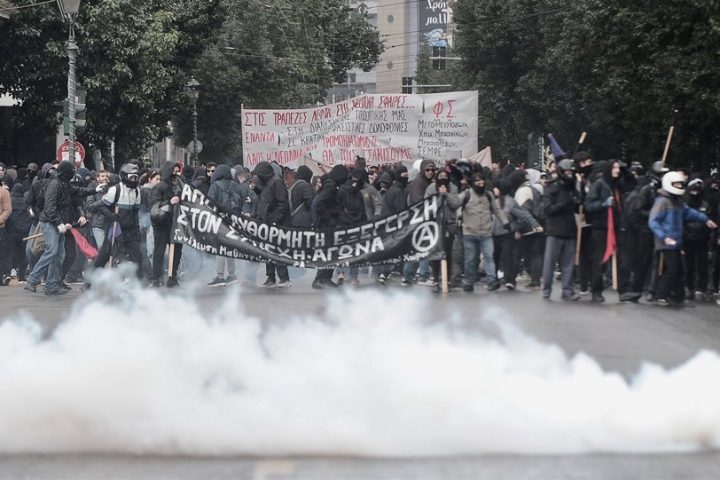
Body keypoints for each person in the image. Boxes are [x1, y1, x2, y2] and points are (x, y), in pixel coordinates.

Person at [649, 171, 717, 306]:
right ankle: (660, 295)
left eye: (681, 184)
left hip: (676, 241)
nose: (680, 187)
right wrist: (664, 237)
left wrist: (705, 220)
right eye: (677, 184)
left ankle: (677, 296)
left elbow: (689, 213)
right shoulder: (662, 201)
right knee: (672, 270)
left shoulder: (677, 202)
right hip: (666, 242)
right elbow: (653, 221)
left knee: (680, 270)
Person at [25, 161, 89, 295]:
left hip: (57, 222)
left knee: (59, 255)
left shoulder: (64, 184)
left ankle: (51, 285)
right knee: (52, 251)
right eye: (71, 172)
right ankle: (33, 279)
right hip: (50, 222)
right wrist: (59, 223)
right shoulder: (55, 184)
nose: (73, 174)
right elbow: (50, 207)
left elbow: (78, 191)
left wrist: (95, 190)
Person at [87, 163, 145, 283]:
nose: (134, 179)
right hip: (114, 229)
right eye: (132, 177)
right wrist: (111, 215)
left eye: (136, 177)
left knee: (138, 258)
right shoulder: (115, 190)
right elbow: (102, 206)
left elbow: (135, 214)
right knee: (102, 257)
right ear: (124, 176)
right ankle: (88, 283)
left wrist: (137, 230)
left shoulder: (137, 192)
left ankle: (138, 286)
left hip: (130, 232)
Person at [458, 172, 508, 293]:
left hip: (486, 233)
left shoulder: (488, 195)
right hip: (469, 233)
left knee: (489, 256)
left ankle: (491, 279)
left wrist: (505, 222)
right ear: (472, 183)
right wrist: (458, 218)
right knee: (470, 259)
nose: (481, 183)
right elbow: (457, 207)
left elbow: (497, 210)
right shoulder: (465, 195)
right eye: (477, 181)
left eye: (482, 181)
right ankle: (469, 282)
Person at [541, 159, 581, 301]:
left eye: (571, 172)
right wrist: (564, 204)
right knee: (549, 263)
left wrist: (578, 197)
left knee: (568, 264)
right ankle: (546, 290)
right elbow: (547, 209)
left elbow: (579, 205)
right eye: (567, 172)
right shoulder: (551, 188)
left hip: (569, 230)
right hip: (555, 231)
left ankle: (567, 291)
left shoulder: (573, 188)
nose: (569, 174)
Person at [206, 164, 247, 286]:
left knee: (220, 248)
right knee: (230, 247)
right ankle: (232, 274)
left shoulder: (215, 186)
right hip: (233, 221)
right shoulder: (236, 186)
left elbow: (209, 204)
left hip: (219, 220)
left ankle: (220, 276)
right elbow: (241, 203)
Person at [253, 161, 291, 288]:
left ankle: (284, 278)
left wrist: (275, 220)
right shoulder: (267, 184)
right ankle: (271, 277)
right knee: (268, 251)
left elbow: (283, 204)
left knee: (277, 251)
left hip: (276, 224)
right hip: (267, 223)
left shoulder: (276, 182)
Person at [149, 160, 184, 288]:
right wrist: (169, 202)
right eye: (174, 172)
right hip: (161, 224)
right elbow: (154, 206)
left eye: (178, 172)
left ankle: (172, 277)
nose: (176, 175)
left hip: (176, 223)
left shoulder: (180, 186)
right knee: (159, 250)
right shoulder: (159, 187)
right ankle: (156, 278)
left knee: (177, 251)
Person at [683, 178, 711, 301]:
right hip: (688, 239)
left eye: (697, 191)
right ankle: (689, 287)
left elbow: (709, 221)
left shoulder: (705, 205)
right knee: (689, 265)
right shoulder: (684, 204)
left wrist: (704, 235)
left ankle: (701, 288)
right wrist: (686, 235)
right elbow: (680, 221)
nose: (695, 193)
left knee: (702, 266)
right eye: (693, 191)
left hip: (702, 240)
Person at [0, 176, 12, 285]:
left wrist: (0, 220)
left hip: (1, 227)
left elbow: (7, 209)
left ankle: (3, 276)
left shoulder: (3, 192)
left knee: (2, 252)